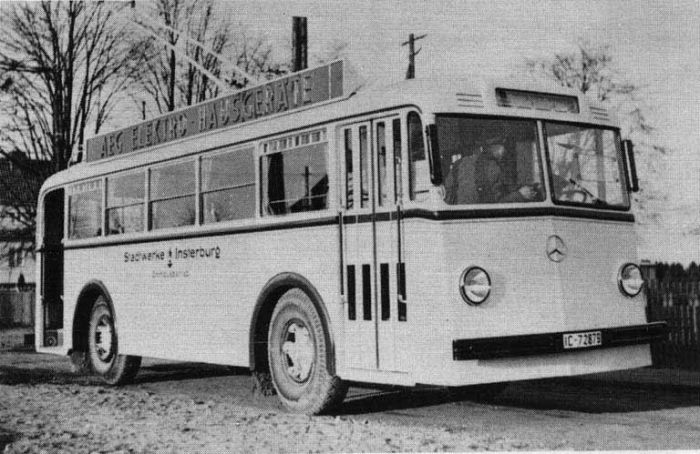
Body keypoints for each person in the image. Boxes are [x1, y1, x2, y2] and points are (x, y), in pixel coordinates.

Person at [444, 141, 538, 204]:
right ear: (501, 149)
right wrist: (520, 195)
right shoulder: (493, 167)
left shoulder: (459, 163)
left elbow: (447, 195)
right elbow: (493, 205)